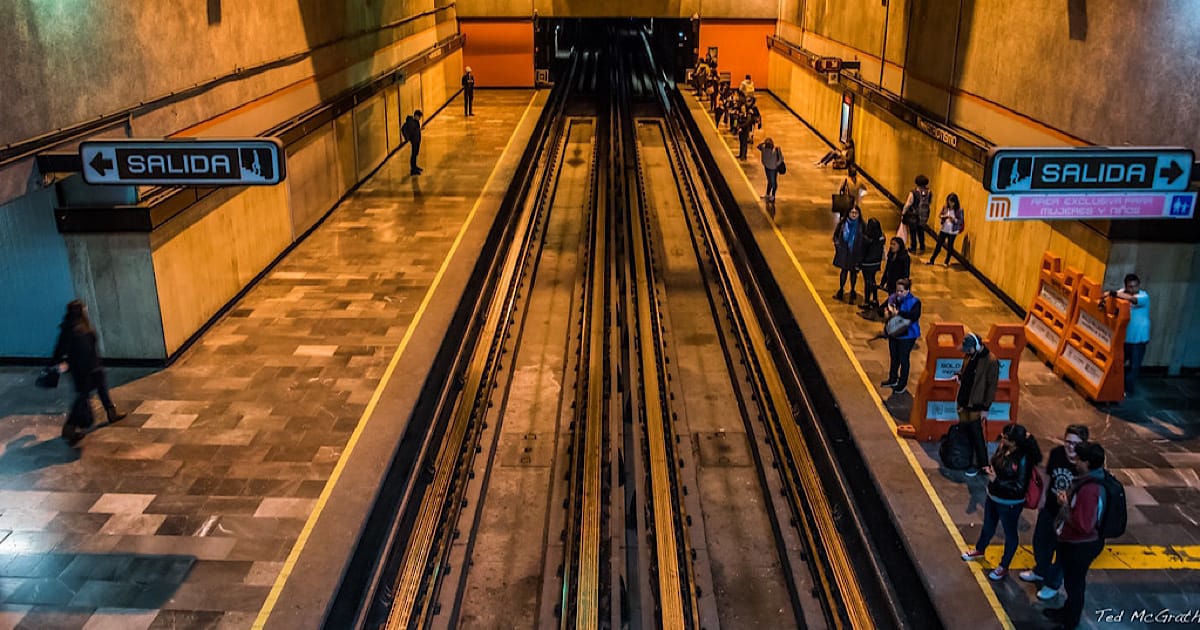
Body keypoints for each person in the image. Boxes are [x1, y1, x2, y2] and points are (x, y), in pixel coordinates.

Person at [962, 423, 1042, 580]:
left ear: (1015, 442)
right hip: (993, 497)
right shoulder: (1003, 448)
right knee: (988, 526)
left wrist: (996, 480)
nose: (1003, 439)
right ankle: (980, 549)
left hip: (1010, 503)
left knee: (1010, 533)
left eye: (1006, 438)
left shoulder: (1023, 458)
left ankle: (1004, 566)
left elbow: (1019, 486)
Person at [1021, 424, 1090, 601]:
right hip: (1050, 509)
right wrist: (1043, 498)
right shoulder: (1057, 453)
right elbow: (1049, 477)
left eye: (1075, 443)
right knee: (1040, 542)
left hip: (1068, 517)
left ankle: (1052, 584)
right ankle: (1040, 570)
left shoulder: (1085, 464)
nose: (1070, 447)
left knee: (1061, 553)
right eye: (1068, 442)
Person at [1043, 442, 1107, 630]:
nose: (1076, 461)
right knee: (1072, 583)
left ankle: (1070, 621)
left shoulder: (1090, 489)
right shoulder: (1088, 479)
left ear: (1087, 463)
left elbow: (1084, 525)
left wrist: (1064, 504)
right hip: (1074, 542)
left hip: (1080, 546)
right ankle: (1067, 612)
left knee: (1075, 584)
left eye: (1079, 459)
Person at [51, 300, 125, 445]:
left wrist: (62, 364)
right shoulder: (83, 329)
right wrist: (94, 367)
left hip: (78, 371)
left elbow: (58, 351)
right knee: (85, 396)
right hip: (90, 369)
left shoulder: (66, 328)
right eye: (84, 309)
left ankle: (110, 412)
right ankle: (70, 428)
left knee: (94, 390)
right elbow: (88, 351)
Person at [954, 331, 1000, 477]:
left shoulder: (991, 361)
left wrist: (986, 407)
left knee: (976, 435)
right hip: (963, 401)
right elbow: (965, 371)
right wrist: (959, 375)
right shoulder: (969, 355)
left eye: (968, 349)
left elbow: (991, 387)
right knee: (965, 431)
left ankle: (981, 463)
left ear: (976, 346)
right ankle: (965, 458)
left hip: (976, 404)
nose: (965, 352)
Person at [1102, 274, 1149, 396]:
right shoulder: (1122, 293)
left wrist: (1114, 294)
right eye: (1130, 287)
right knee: (1118, 363)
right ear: (1126, 286)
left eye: (1135, 286)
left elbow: (1133, 300)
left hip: (1139, 339)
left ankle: (1128, 390)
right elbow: (1113, 296)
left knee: (1134, 366)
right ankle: (1114, 386)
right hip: (1125, 338)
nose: (1133, 289)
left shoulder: (1143, 296)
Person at [881, 278, 921, 394]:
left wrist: (899, 313)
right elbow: (882, 308)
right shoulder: (893, 298)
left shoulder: (914, 302)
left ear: (907, 290)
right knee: (894, 357)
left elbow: (914, 316)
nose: (898, 293)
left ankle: (902, 383)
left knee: (903, 359)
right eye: (897, 290)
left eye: (901, 291)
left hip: (908, 335)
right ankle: (892, 378)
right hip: (894, 333)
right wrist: (886, 312)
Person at [832, 207, 866, 303]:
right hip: (844, 252)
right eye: (852, 212)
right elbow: (836, 235)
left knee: (853, 273)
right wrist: (837, 245)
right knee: (844, 271)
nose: (854, 215)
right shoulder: (843, 224)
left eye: (856, 213)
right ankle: (841, 288)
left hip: (855, 253)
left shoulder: (862, 225)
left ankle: (852, 289)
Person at [927, 192, 964, 266]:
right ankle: (932, 260)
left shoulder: (959, 210)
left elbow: (961, 220)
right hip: (944, 229)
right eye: (949, 202)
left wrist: (954, 220)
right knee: (939, 244)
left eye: (952, 202)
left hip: (953, 231)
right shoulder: (945, 207)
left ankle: (946, 261)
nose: (951, 204)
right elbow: (940, 215)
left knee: (950, 246)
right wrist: (943, 216)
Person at [858, 218, 886, 313]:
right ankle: (875, 299)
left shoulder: (866, 238)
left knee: (867, 282)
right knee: (873, 280)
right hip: (876, 262)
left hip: (867, 263)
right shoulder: (881, 238)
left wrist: (858, 263)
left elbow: (862, 252)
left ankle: (866, 301)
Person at [901, 175, 933, 253]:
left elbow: (908, 204)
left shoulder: (914, 193)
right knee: (921, 230)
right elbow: (930, 202)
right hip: (924, 215)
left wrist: (903, 213)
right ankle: (922, 246)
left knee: (913, 232)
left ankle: (913, 247)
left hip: (914, 215)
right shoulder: (929, 192)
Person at [878, 237, 910, 310]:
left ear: (899, 245)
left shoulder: (905, 257)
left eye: (894, 244)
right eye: (891, 244)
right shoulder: (891, 255)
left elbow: (906, 271)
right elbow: (887, 270)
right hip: (891, 283)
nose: (892, 246)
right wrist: (882, 283)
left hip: (899, 284)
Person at [757, 137, 783, 202]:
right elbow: (758, 146)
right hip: (767, 167)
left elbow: (781, 158)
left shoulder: (776, 149)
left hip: (773, 168)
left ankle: (773, 195)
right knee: (769, 181)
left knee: (773, 182)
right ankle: (768, 194)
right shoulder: (764, 148)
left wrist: (776, 164)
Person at [401, 110, 424, 176]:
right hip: (414, 141)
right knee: (413, 155)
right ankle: (413, 169)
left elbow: (415, 130)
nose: (419, 118)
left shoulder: (416, 122)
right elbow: (412, 131)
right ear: (416, 116)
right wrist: (409, 138)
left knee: (415, 154)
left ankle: (415, 167)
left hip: (417, 140)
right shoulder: (411, 122)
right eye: (419, 117)